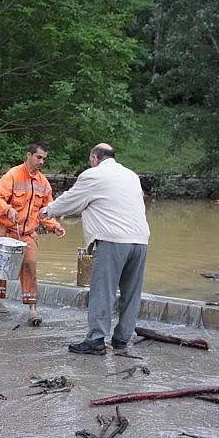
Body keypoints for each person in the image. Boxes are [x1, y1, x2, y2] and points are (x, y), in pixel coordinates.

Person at [40, 143, 149, 355]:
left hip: (113, 240)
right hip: (141, 240)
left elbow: (71, 201)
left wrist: (47, 211)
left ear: (95, 158)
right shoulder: (131, 175)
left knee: (103, 291)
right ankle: (121, 339)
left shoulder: (94, 175)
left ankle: (96, 340)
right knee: (132, 293)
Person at [0, 142, 66, 324]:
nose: (41, 162)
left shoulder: (43, 183)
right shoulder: (13, 175)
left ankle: (32, 309)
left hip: (28, 233)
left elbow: (45, 210)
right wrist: (7, 210)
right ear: (29, 155)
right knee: (1, 268)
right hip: (6, 231)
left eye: (44, 159)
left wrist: (54, 226)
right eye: (38, 157)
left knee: (30, 266)